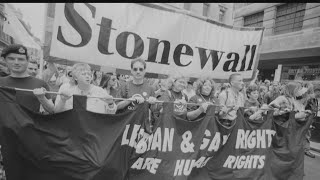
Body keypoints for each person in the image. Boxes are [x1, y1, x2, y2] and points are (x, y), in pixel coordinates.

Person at [0, 44, 54, 113]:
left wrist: (42, 98)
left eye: (21, 59)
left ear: (27, 61)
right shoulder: (1, 82)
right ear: (5, 60)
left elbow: (51, 110)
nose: (16, 62)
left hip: (32, 123)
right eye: (11, 59)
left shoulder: (40, 83)